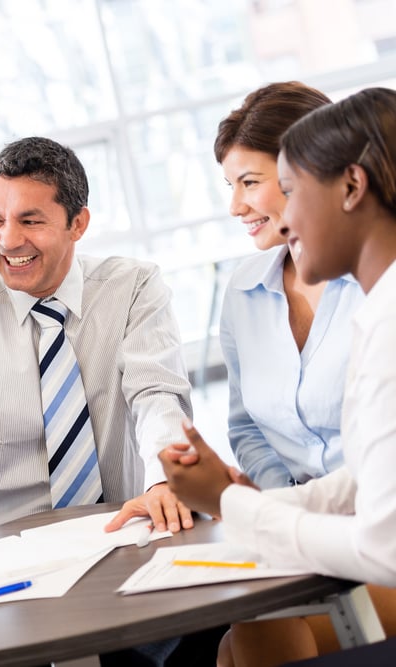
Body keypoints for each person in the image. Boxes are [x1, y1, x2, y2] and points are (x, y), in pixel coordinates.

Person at [161, 86, 396, 667]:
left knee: (254, 632)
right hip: (343, 530)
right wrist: (242, 501)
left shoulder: (383, 316)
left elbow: (381, 542)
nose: (285, 218)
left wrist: (235, 505)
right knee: (241, 638)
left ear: (350, 187)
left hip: (374, 552)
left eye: (289, 189)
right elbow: (367, 479)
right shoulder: (377, 310)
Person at [0, 136, 194, 536]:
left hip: (125, 526)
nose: (8, 240)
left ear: (78, 224)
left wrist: (164, 480)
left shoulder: (133, 288)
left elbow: (157, 396)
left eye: (30, 221)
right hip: (9, 544)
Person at [215, 81, 361, 491]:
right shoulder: (243, 291)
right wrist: (287, 505)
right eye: (230, 186)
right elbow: (246, 428)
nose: (235, 207)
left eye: (249, 182)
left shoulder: (377, 280)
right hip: (299, 518)